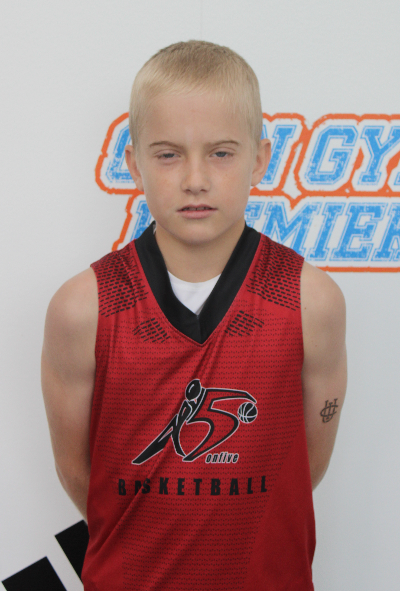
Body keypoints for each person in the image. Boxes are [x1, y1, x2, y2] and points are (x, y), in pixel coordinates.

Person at [41, 40, 347, 590]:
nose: (195, 179)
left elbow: (304, 466)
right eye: (168, 154)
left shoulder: (309, 301)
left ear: (260, 159)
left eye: (221, 153)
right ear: (134, 164)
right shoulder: (83, 308)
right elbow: (82, 477)